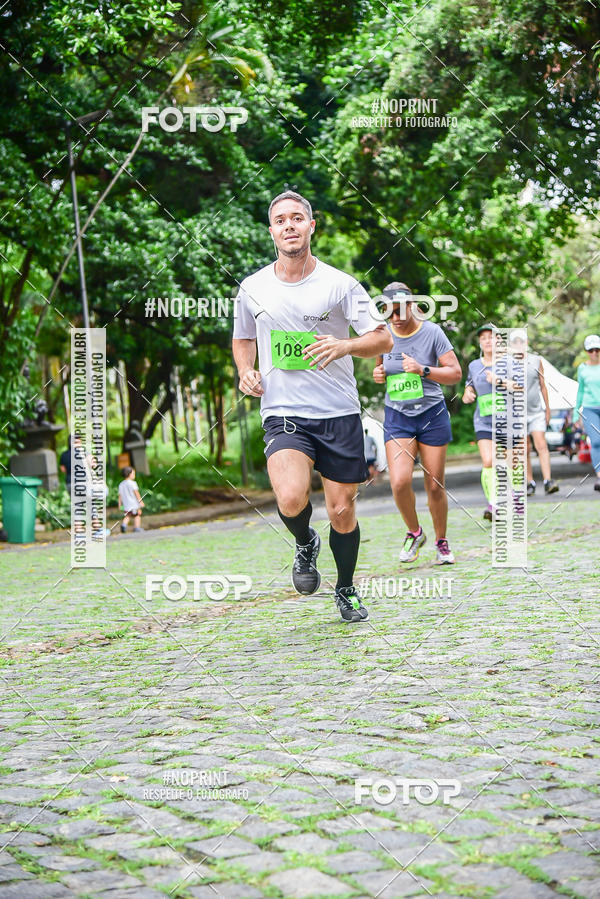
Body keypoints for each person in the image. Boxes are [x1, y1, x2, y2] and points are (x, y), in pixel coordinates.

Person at [232, 190, 393, 622]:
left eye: (297, 218)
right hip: (283, 411)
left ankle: (346, 588)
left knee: (342, 509)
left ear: (310, 226)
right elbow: (243, 338)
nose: (289, 225)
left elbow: (383, 339)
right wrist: (246, 370)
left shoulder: (340, 284)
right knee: (289, 497)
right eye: (281, 220)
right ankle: (305, 542)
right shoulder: (252, 287)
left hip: (338, 412)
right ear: (271, 231)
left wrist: (344, 345)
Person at [372, 283, 462, 564]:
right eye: (390, 312)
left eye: (400, 311)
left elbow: (455, 373)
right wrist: (378, 374)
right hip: (398, 415)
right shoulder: (382, 333)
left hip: (431, 414)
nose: (396, 318)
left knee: (435, 485)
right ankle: (414, 532)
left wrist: (423, 369)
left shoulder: (432, 332)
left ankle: (441, 542)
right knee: (399, 482)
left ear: (412, 305)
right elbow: (379, 366)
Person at [507, 332, 558, 496]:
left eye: (521, 341)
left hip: (536, 411)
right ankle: (529, 482)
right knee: (524, 448)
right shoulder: (507, 363)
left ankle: (548, 480)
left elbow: (543, 386)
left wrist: (547, 409)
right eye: (515, 342)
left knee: (541, 445)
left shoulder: (536, 360)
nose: (519, 344)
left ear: (526, 342)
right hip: (518, 413)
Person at [463, 324, 502, 520]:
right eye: (483, 338)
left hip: (507, 422)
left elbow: (520, 388)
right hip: (483, 421)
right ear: (480, 342)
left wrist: (500, 381)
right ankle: (493, 504)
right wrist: (468, 394)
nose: (487, 340)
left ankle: (512, 497)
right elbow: (468, 387)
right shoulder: (474, 366)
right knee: (488, 461)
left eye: (491, 337)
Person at [575, 333, 600, 491]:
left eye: (597, 350)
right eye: (591, 350)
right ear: (586, 352)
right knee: (596, 441)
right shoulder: (582, 368)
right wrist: (576, 413)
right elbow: (580, 391)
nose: (595, 353)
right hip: (590, 409)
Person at [118, 466, 144, 533]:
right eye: (133, 473)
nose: (134, 475)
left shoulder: (121, 484)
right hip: (133, 503)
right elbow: (136, 493)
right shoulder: (133, 483)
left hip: (126, 504)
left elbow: (120, 496)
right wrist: (140, 501)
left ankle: (124, 524)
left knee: (128, 515)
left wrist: (120, 505)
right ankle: (137, 528)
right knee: (137, 515)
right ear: (129, 474)